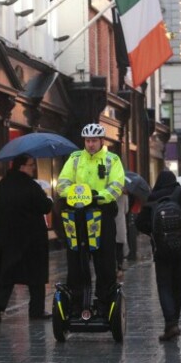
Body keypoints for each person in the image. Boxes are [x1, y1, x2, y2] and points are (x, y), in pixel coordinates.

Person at [57, 123, 125, 315]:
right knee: (76, 259)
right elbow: (62, 183)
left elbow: (116, 186)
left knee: (104, 261)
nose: (91, 144)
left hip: (101, 213)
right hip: (77, 213)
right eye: (88, 140)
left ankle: (104, 303)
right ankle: (76, 304)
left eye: (94, 140)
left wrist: (98, 195)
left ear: (102, 141)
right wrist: (76, 193)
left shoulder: (112, 160)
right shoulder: (75, 158)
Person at [0, 154, 53, 320]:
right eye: (31, 165)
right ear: (21, 167)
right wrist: (48, 199)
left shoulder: (2, 185)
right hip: (32, 239)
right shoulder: (31, 186)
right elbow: (45, 207)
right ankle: (36, 310)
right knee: (36, 277)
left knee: (7, 275)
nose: (33, 168)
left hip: (8, 238)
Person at [136, 170, 181, 341]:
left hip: (161, 248)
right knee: (178, 283)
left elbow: (140, 224)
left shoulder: (152, 197)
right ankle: (175, 321)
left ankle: (170, 323)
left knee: (164, 285)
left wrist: (154, 232)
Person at [115, 190, 129, 276]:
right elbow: (126, 210)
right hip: (120, 222)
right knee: (119, 246)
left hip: (109, 221)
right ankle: (119, 267)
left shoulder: (109, 193)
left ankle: (112, 266)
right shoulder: (124, 194)